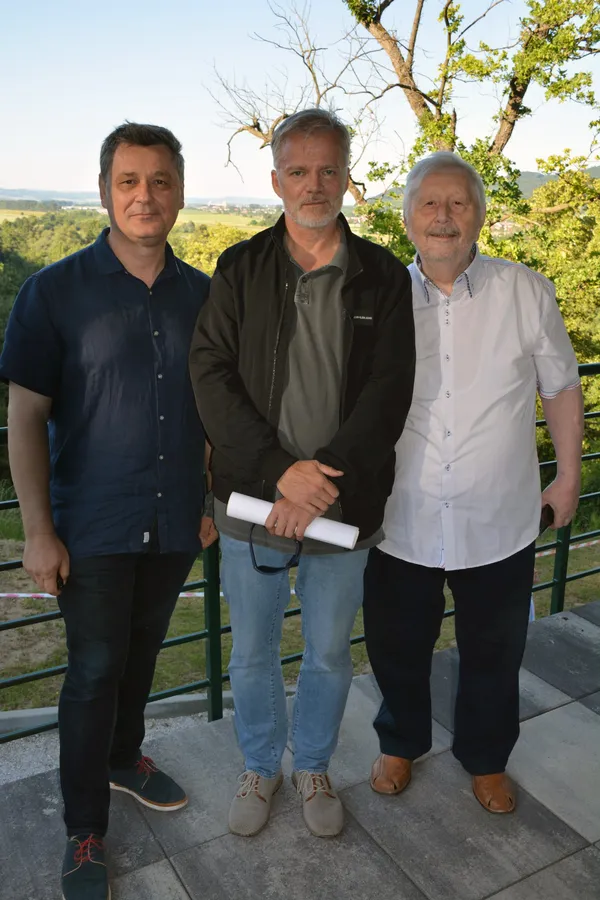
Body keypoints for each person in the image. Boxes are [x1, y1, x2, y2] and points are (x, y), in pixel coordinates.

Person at [0, 123, 215, 900]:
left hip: (175, 518)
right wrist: (37, 531)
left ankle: (125, 759)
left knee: (144, 655)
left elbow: (213, 408)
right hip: (89, 525)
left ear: (179, 192)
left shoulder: (203, 294)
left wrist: (207, 497)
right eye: (129, 181)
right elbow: (25, 417)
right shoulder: (53, 292)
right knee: (92, 671)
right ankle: (84, 829)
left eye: (160, 181)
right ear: (103, 191)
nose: (145, 196)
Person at [189, 108, 415, 838]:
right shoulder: (240, 267)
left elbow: (391, 391)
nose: (313, 184)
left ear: (347, 175)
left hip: (343, 507)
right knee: (252, 652)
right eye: (298, 171)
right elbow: (210, 374)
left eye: (327, 170)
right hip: (254, 505)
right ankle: (262, 765)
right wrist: (282, 474)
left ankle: (312, 762)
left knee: (326, 652)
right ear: (276, 178)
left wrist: (325, 481)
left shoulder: (382, 274)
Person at [364, 151, 584, 814]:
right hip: (402, 515)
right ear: (407, 219)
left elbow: (563, 387)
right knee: (397, 645)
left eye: (459, 203)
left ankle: (486, 759)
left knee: (493, 650)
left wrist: (568, 476)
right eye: (430, 203)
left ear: (481, 217)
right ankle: (401, 741)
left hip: (499, 515)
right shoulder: (377, 301)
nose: (444, 216)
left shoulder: (527, 291)